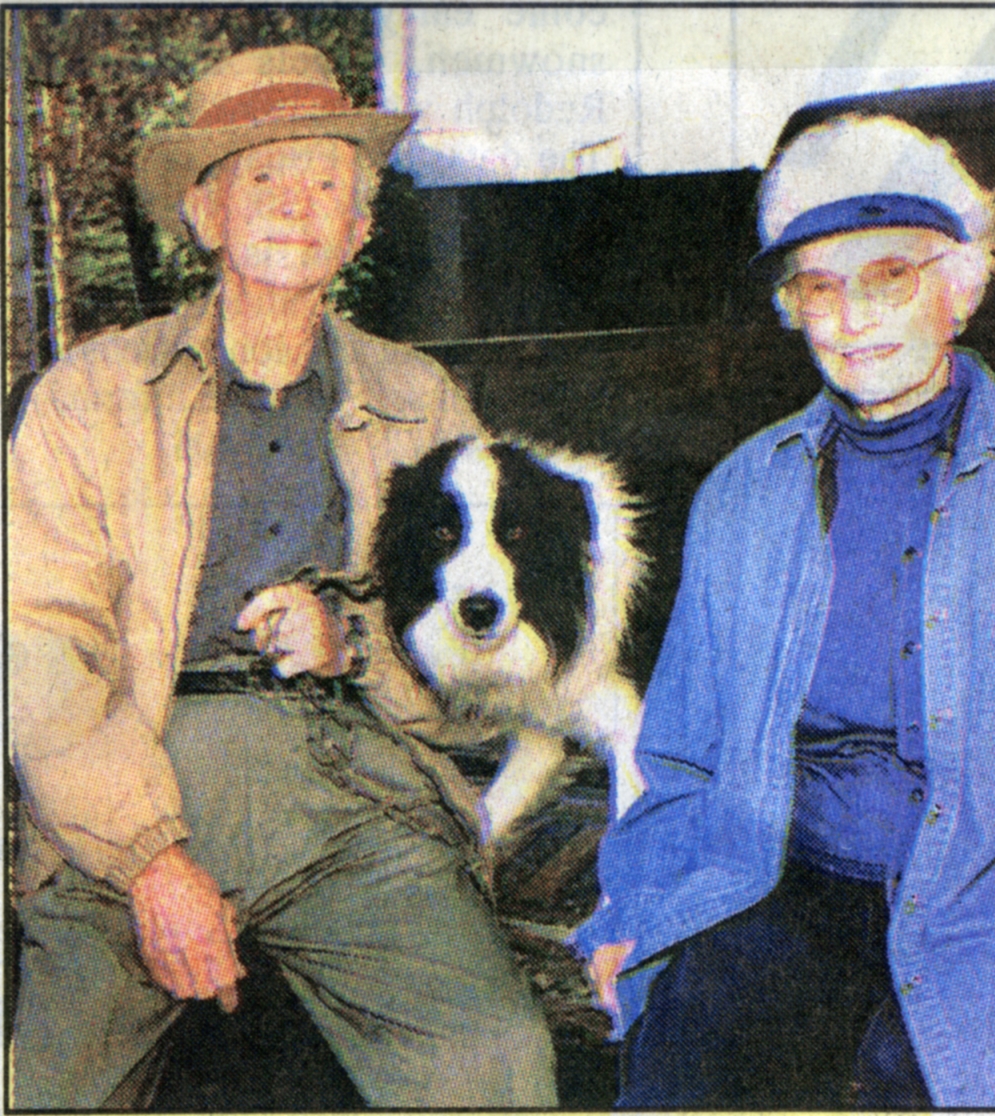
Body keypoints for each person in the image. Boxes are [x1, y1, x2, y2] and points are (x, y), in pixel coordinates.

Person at [572, 113, 995, 1109]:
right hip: (786, 880)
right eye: (821, 286)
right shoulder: (743, 493)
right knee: (681, 1061)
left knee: (941, 1081)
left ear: (960, 286)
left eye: (889, 277)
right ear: (791, 308)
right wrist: (637, 905)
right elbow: (682, 754)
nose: (855, 317)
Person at [9, 45, 556, 1109]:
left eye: (326, 183)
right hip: (133, 770)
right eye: (262, 176)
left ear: (358, 229)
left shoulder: (422, 400)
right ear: (205, 215)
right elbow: (34, 644)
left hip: (352, 789)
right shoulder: (94, 394)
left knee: (496, 1065)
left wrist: (358, 644)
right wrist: (150, 863)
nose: (296, 205)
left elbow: (494, 658)